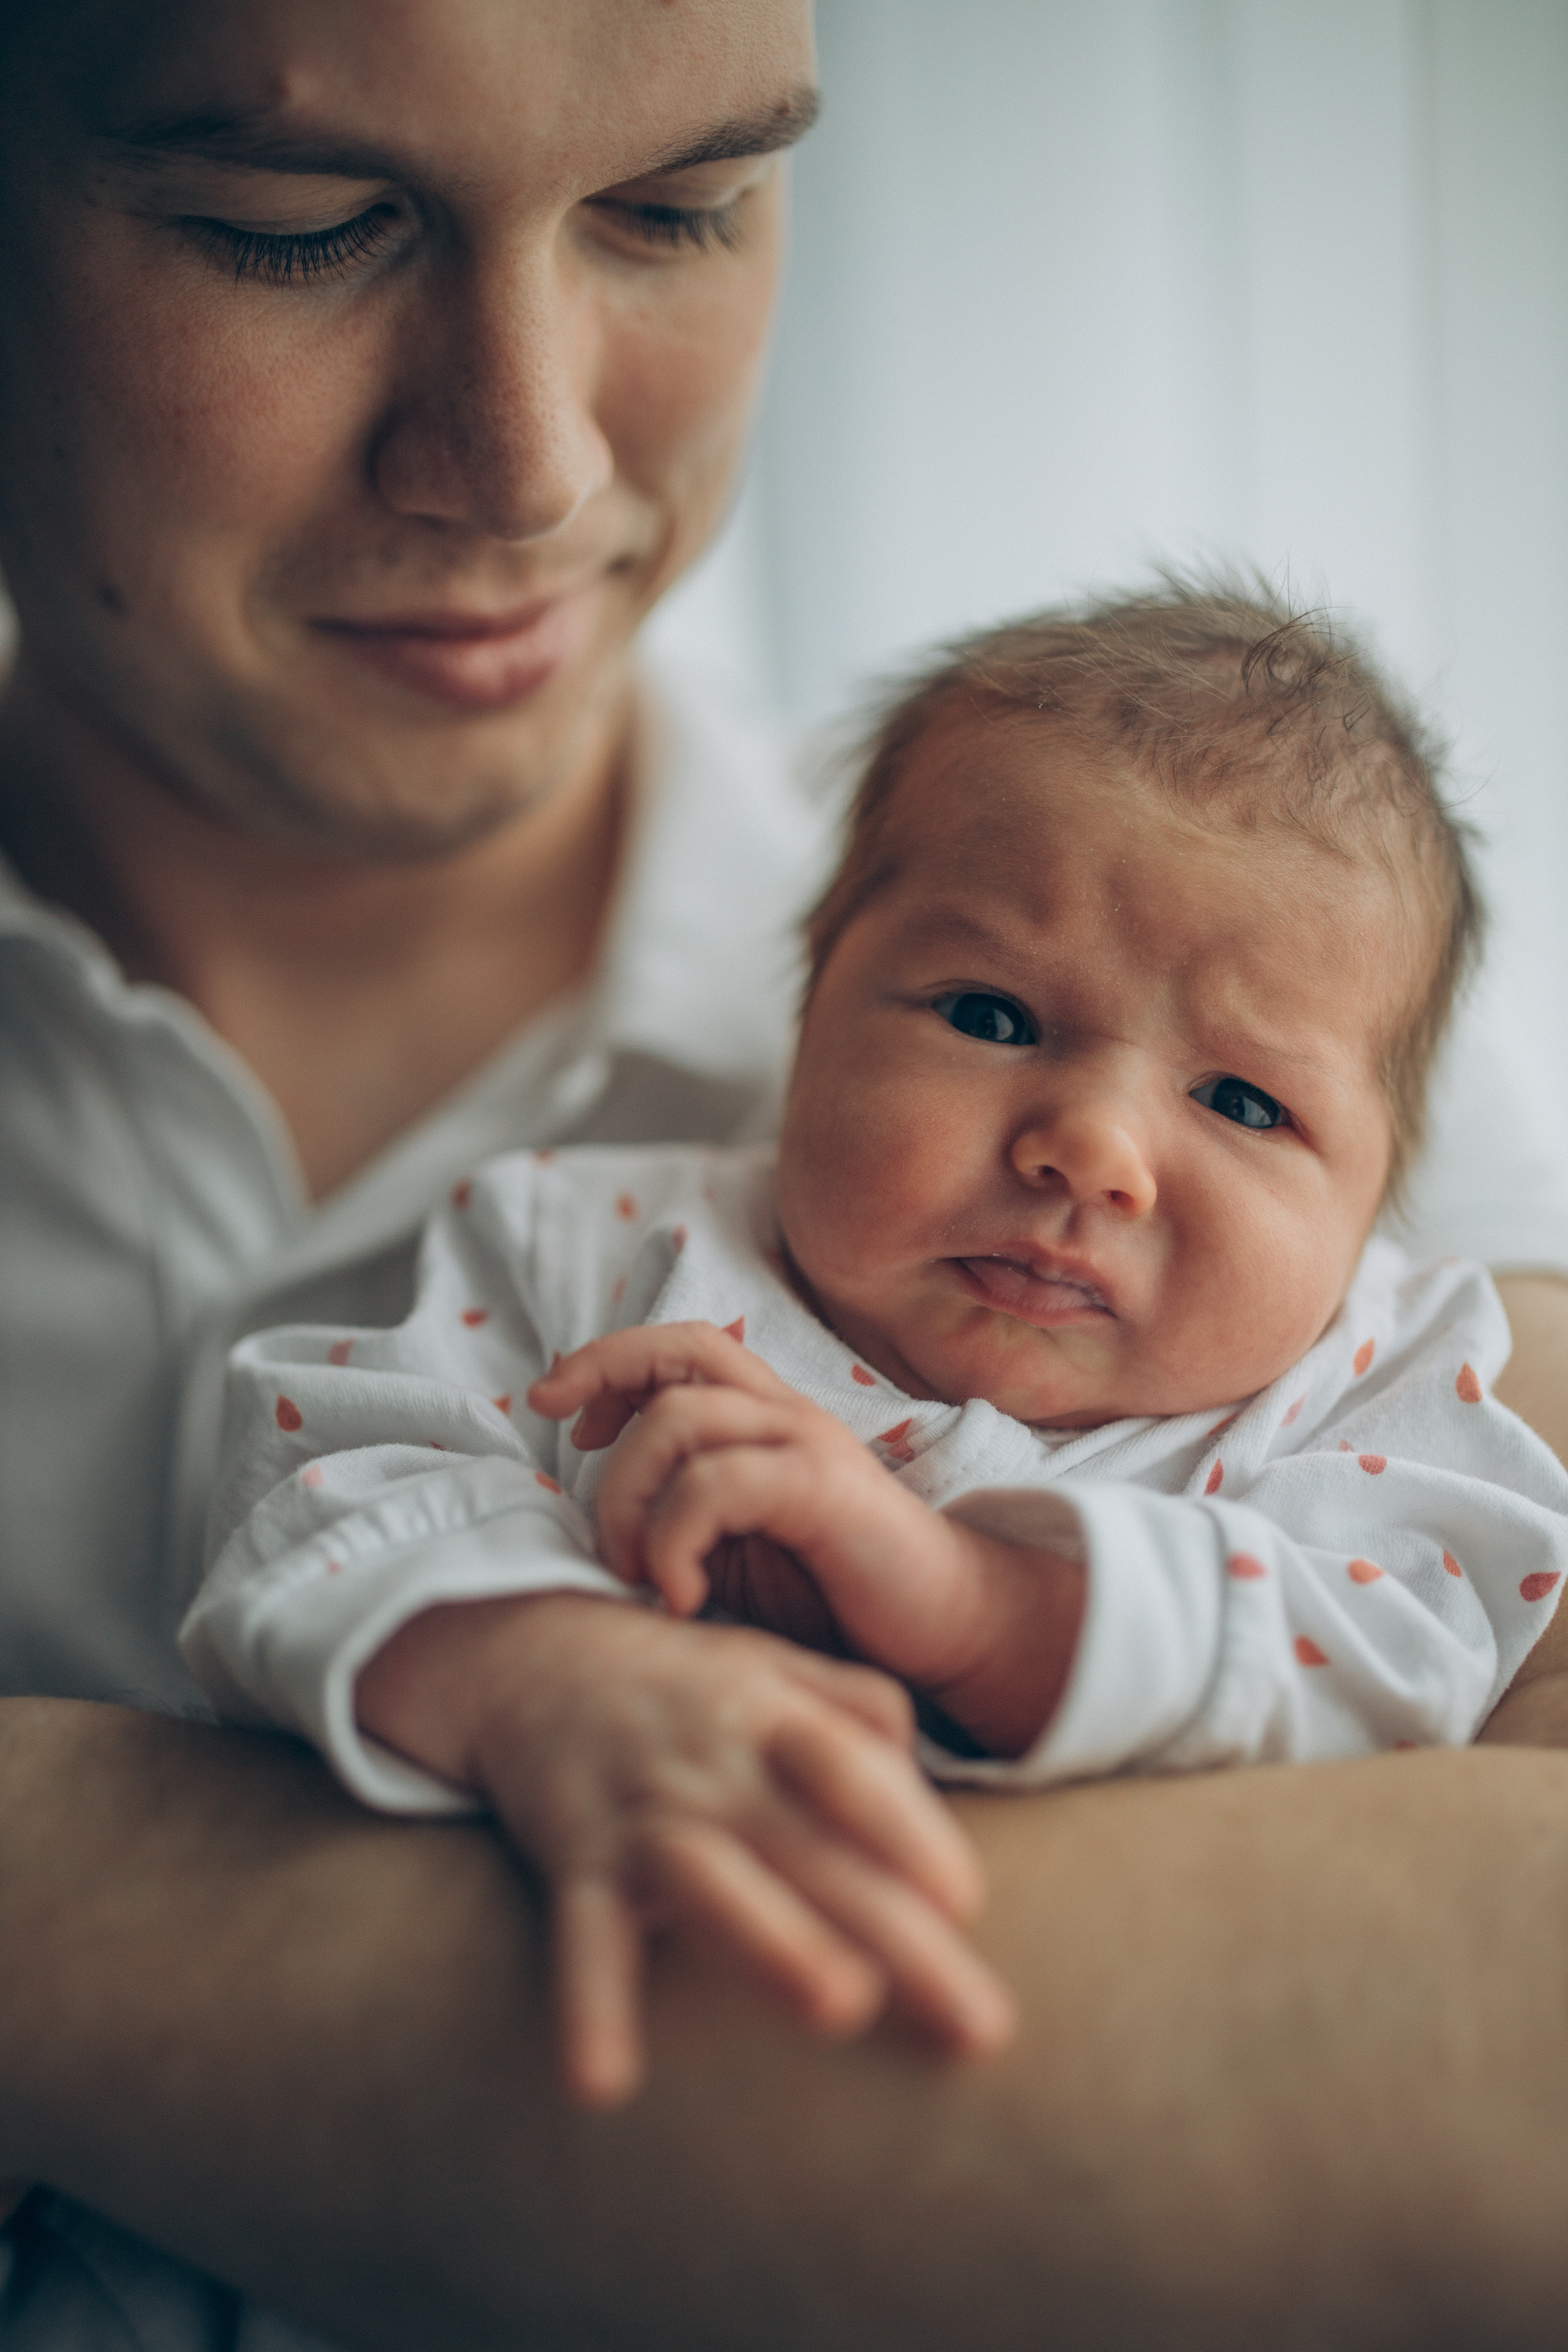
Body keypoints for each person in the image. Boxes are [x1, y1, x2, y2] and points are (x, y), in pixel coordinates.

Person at [4, 1, 1568, 2345]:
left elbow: (1444, 1802)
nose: (526, 467)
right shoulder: (627, 1238)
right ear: (834, 979)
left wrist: (968, 1600)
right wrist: (533, 1672)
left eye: (679, 205)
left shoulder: (1395, 1313)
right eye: (290, 229)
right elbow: (356, 1478)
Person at [186, 585, 1568, 2109]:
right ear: (810, 1014)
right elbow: (316, 1465)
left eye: (1243, 1104)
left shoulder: (1375, 1377)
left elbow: (1400, 1660)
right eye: (988, 1013)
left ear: (1377, 1200)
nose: (1091, 1148)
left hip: (1079, 2115)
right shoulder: (595, 1249)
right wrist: (533, 1669)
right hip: (503, 2081)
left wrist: (984, 1605)